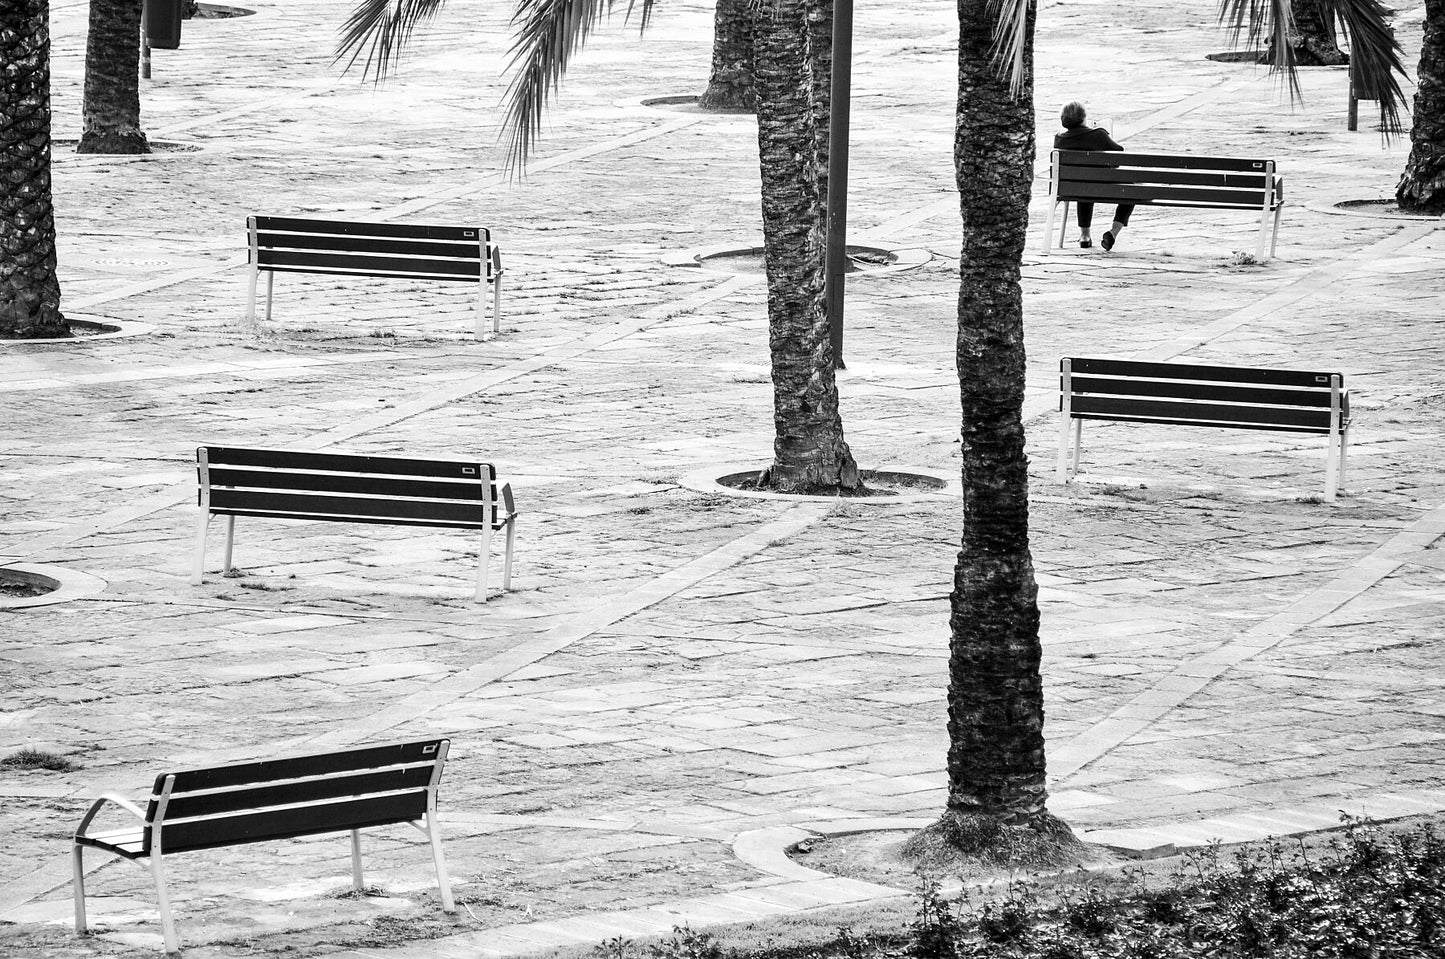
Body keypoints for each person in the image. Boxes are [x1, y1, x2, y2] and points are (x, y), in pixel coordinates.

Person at [1054, 102, 1134, 251]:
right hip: (1103, 186)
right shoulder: (1098, 134)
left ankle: (1085, 236)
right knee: (1131, 189)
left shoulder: (1059, 139)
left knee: (1084, 186)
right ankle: (1113, 232)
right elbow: (1119, 153)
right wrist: (1105, 135)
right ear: (1083, 118)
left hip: (1072, 188)